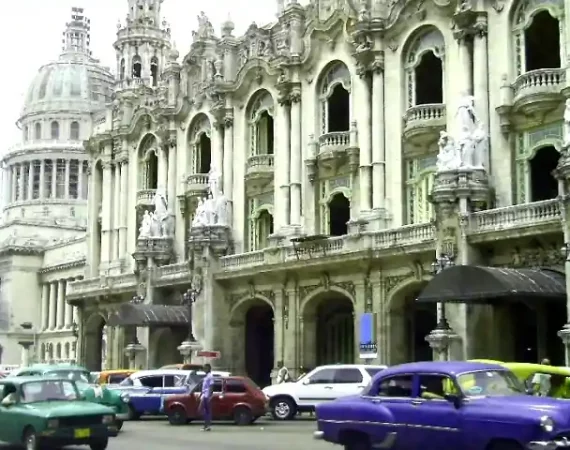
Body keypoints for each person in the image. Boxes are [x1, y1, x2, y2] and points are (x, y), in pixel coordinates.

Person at [199, 363, 214, 431]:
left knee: (206, 411)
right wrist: (200, 395)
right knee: (205, 411)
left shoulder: (210, 376)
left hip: (206, 396)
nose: (204, 369)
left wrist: (209, 396)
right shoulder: (206, 376)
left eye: (205, 368)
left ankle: (207, 426)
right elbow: (204, 388)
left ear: (208, 368)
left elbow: (211, 386)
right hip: (204, 395)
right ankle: (206, 426)